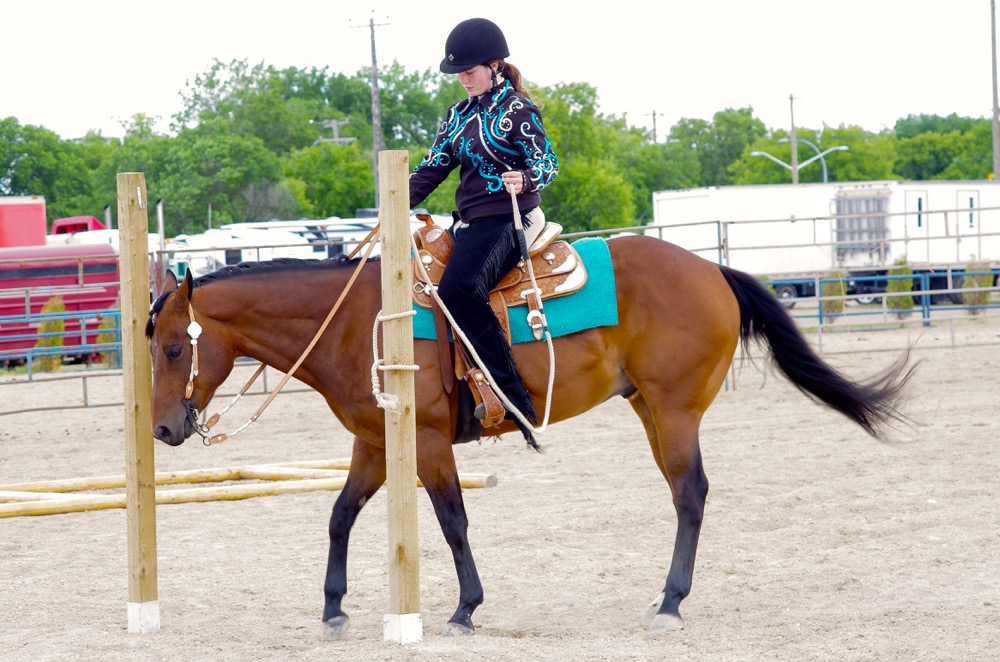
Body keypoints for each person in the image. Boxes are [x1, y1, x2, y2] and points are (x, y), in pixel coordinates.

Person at [409, 17, 559, 445]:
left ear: (494, 65)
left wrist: (526, 179)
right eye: (458, 73)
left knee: (459, 290)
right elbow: (432, 169)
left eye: (469, 71)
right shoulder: (457, 116)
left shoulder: (518, 110)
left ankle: (512, 398)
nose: (463, 79)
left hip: (509, 219)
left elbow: (547, 162)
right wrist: (394, 200)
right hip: (469, 223)